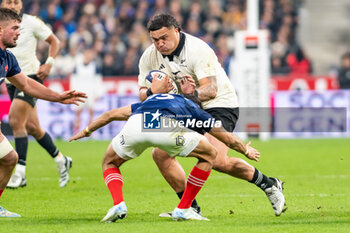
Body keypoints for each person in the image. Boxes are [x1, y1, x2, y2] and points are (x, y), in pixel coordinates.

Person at [138, 13, 287, 216]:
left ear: (176, 31)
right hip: (187, 106)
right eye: (155, 40)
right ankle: (189, 207)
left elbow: (212, 89)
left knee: (216, 160)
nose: (159, 44)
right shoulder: (149, 56)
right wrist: (152, 92)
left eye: (164, 38)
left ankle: (269, 185)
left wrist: (191, 94)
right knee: (160, 154)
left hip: (219, 104)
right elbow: (141, 94)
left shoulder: (198, 49)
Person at [69, 93, 261, 221]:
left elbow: (110, 114)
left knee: (109, 162)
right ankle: (184, 208)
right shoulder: (192, 108)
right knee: (210, 153)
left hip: (138, 123)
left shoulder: (149, 100)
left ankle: (118, 204)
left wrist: (86, 131)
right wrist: (245, 150)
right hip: (164, 127)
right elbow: (226, 137)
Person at [0, 7, 86, 217]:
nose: (19, 33)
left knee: (10, 157)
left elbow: (27, 85)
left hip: (32, 75)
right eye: (14, 29)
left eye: (20, 28)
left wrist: (58, 97)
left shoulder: (7, 58)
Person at [1, 0, 72, 188]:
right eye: (8, 1)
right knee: (32, 127)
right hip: (11, 80)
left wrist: (49, 64)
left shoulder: (30, 24)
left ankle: (21, 173)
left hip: (31, 76)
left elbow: (54, 41)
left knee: (16, 123)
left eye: (15, 1)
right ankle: (61, 159)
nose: (19, 32)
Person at [70, 48, 104, 133]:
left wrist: (98, 93)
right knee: (78, 112)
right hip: (80, 92)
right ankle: (76, 130)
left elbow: (98, 81)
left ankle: (90, 132)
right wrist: (73, 93)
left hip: (91, 92)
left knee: (91, 112)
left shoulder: (95, 67)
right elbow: (73, 80)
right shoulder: (77, 67)